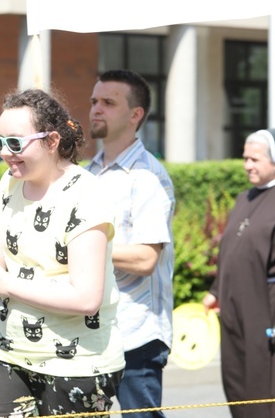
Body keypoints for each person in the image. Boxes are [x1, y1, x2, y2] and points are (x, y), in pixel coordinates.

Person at [0, 88, 124, 417]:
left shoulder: (86, 194)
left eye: (15, 143)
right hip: (7, 352)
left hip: (78, 364)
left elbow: (87, 298)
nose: (4, 153)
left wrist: (8, 285)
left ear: (52, 140)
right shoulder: (9, 183)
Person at [85, 69, 175, 418]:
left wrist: (83, 249)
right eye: (94, 101)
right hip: (94, 326)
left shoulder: (148, 177)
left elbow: (144, 259)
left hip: (136, 333)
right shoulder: (88, 172)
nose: (96, 109)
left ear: (135, 115)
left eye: (108, 102)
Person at [202, 128, 275, 418]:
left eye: (254, 159)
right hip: (236, 304)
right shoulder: (245, 197)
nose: (247, 166)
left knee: (266, 384)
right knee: (237, 378)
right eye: (245, 159)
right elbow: (232, 250)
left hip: (271, 305)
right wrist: (216, 292)